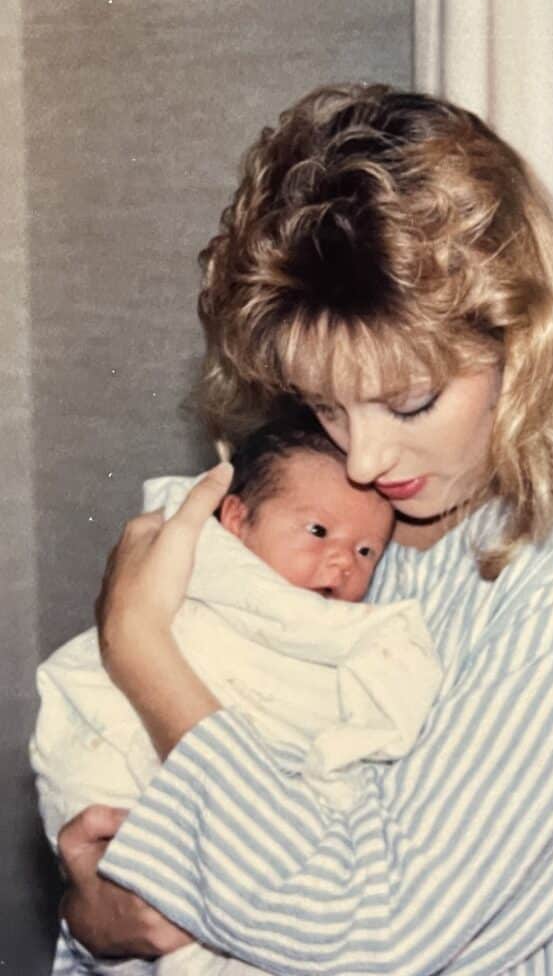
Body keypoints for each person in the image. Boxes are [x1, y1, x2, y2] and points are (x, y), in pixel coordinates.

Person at [55, 84, 553, 975]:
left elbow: (375, 924)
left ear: (528, 335)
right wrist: (101, 922)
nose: (364, 459)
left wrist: (139, 645)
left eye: (411, 401)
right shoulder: (367, 505)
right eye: (325, 405)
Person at [36, 414, 441, 975]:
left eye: (368, 551)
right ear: (235, 519)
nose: (344, 561)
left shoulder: (365, 620)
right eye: (319, 532)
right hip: (135, 784)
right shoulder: (203, 565)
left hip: (279, 864)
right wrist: (89, 921)